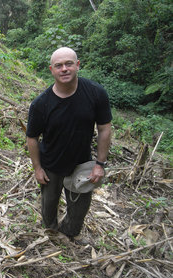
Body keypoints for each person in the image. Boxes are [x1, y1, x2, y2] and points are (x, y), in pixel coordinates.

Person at [26, 47, 112, 240]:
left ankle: (69, 235)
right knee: (48, 207)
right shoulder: (41, 104)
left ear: (77, 65)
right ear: (51, 69)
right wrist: (37, 168)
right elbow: (32, 137)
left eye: (68, 64)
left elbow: (104, 128)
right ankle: (50, 234)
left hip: (82, 164)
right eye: (59, 66)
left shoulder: (96, 93)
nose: (64, 69)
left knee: (79, 210)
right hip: (51, 165)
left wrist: (100, 164)